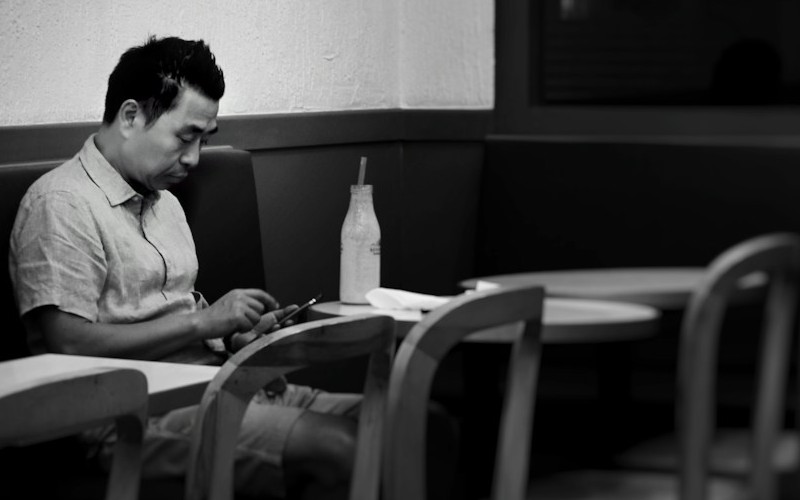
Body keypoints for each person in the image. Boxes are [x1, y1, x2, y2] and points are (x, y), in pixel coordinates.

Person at [9, 36, 362, 500]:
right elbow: (68, 343)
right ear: (131, 116)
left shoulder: (166, 205)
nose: (195, 158)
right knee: (341, 446)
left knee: (409, 420)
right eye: (185, 137)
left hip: (214, 384)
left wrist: (234, 336)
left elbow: (179, 318)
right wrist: (205, 321)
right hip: (128, 419)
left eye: (203, 140)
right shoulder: (61, 203)